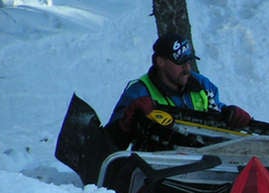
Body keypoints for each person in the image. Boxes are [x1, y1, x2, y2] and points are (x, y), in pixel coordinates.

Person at [105, 33, 254, 149]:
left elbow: (216, 112)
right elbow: (110, 142)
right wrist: (126, 122)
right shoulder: (139, 92)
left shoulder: (201, 84)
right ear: (160, 62)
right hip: (157, 168)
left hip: (204, 165)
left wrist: (232, 114)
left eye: (189, 62)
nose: (187, 69)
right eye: (180, 63)